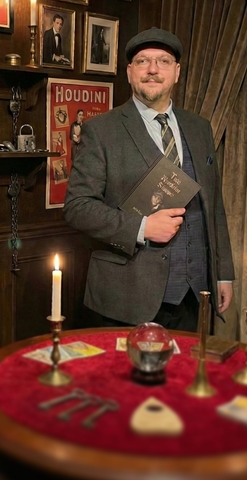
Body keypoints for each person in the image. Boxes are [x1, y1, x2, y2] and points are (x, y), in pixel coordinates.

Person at [63, 28, 234, 332]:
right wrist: (141, 228)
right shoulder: (100, 130)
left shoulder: (200, 128)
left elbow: (215, 206)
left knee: (189, 365)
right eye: (143, 61)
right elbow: (77, 207)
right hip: (129, 297)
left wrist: (222, 273)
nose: (153, 69)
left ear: (176, 72)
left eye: (163, 61)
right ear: (130, 72)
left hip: (195, 296)